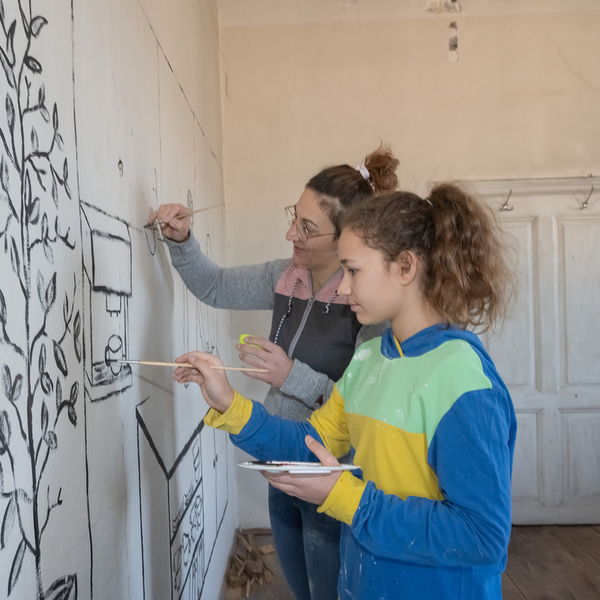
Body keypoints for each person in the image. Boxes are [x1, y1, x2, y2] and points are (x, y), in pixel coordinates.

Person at [172, 182, 518, 600]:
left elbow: (480, 536)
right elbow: (311, 445)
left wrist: (346, 497)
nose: (342, 288)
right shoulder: (369, 359)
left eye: (353, 271)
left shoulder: (463, 380)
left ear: (405, 267)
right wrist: (230, 403)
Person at [148, 146, 399, 600]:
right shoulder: (286, 276)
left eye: (307, 227)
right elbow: (214, 285)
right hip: (278, 458)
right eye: (294, 217)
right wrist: (182, 240)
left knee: (329, 593)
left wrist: (290, 375)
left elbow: (361, 407)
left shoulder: (370, 306)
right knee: (302, 592)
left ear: (346, 237)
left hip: (330, 470)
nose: (291, 234)